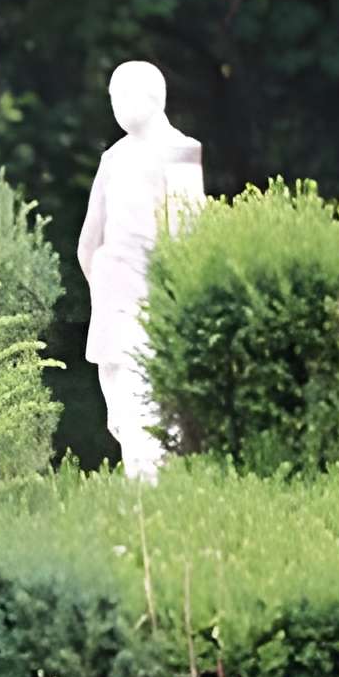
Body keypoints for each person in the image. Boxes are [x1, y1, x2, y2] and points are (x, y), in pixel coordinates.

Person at [77, 60, 206, 481]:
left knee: (150, 432)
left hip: (155, 315)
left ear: (154, 98)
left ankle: (153, 524)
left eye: (124, 95)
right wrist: (106, 289)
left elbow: (188, 244)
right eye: (112, 97)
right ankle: (141, 524)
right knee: (126, 424)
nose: (117, 106)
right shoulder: (113, 159)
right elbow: (88, 243)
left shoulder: (179, 152)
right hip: (114, 310)